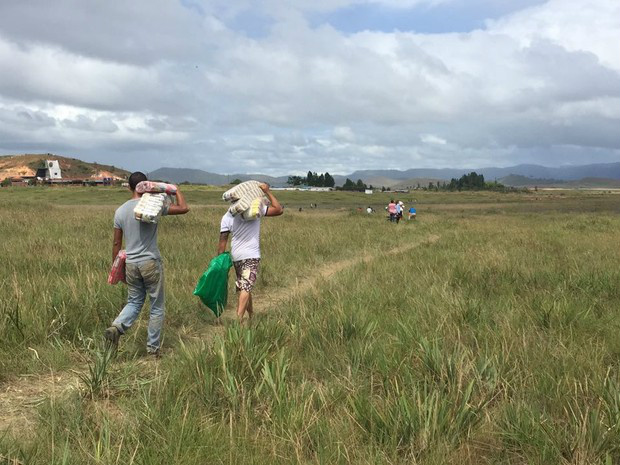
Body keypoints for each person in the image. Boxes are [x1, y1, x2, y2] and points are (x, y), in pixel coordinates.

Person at [104, 172, 190, 356]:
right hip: (150, 261)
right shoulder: (153, 206)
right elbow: (183, 208)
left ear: (129, 187)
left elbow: (116, 244)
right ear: (147, 186)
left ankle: (117, 327)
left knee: (134, 301)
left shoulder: (120, 211)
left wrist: (117, 268)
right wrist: (175, 190)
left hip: (131, 263)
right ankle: (153, 349)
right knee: (156, 306)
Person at [217, 183, 283, 323]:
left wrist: (219, 261)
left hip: (236, 256)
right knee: (246, 286)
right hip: (251, 255)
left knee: (245, 286)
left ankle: (251, 315)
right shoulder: (256, 209)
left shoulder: (227, 216)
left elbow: (222, 241)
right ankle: (238, 319)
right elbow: (278, 210)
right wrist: (268, 192)